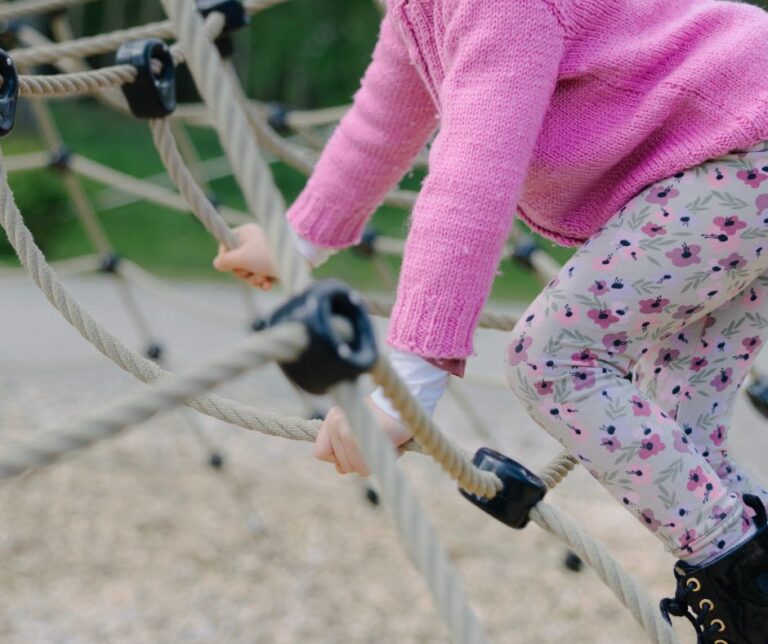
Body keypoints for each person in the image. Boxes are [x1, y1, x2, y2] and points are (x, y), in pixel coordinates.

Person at [213, 0, 768, 638]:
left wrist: (405, 393)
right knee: (675, 432)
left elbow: (471, 180)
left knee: (556, 360)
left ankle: (748, 591)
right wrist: (297, 242)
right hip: (741, 149)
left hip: (736, 151)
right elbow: (384, 118)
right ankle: (747, 566)